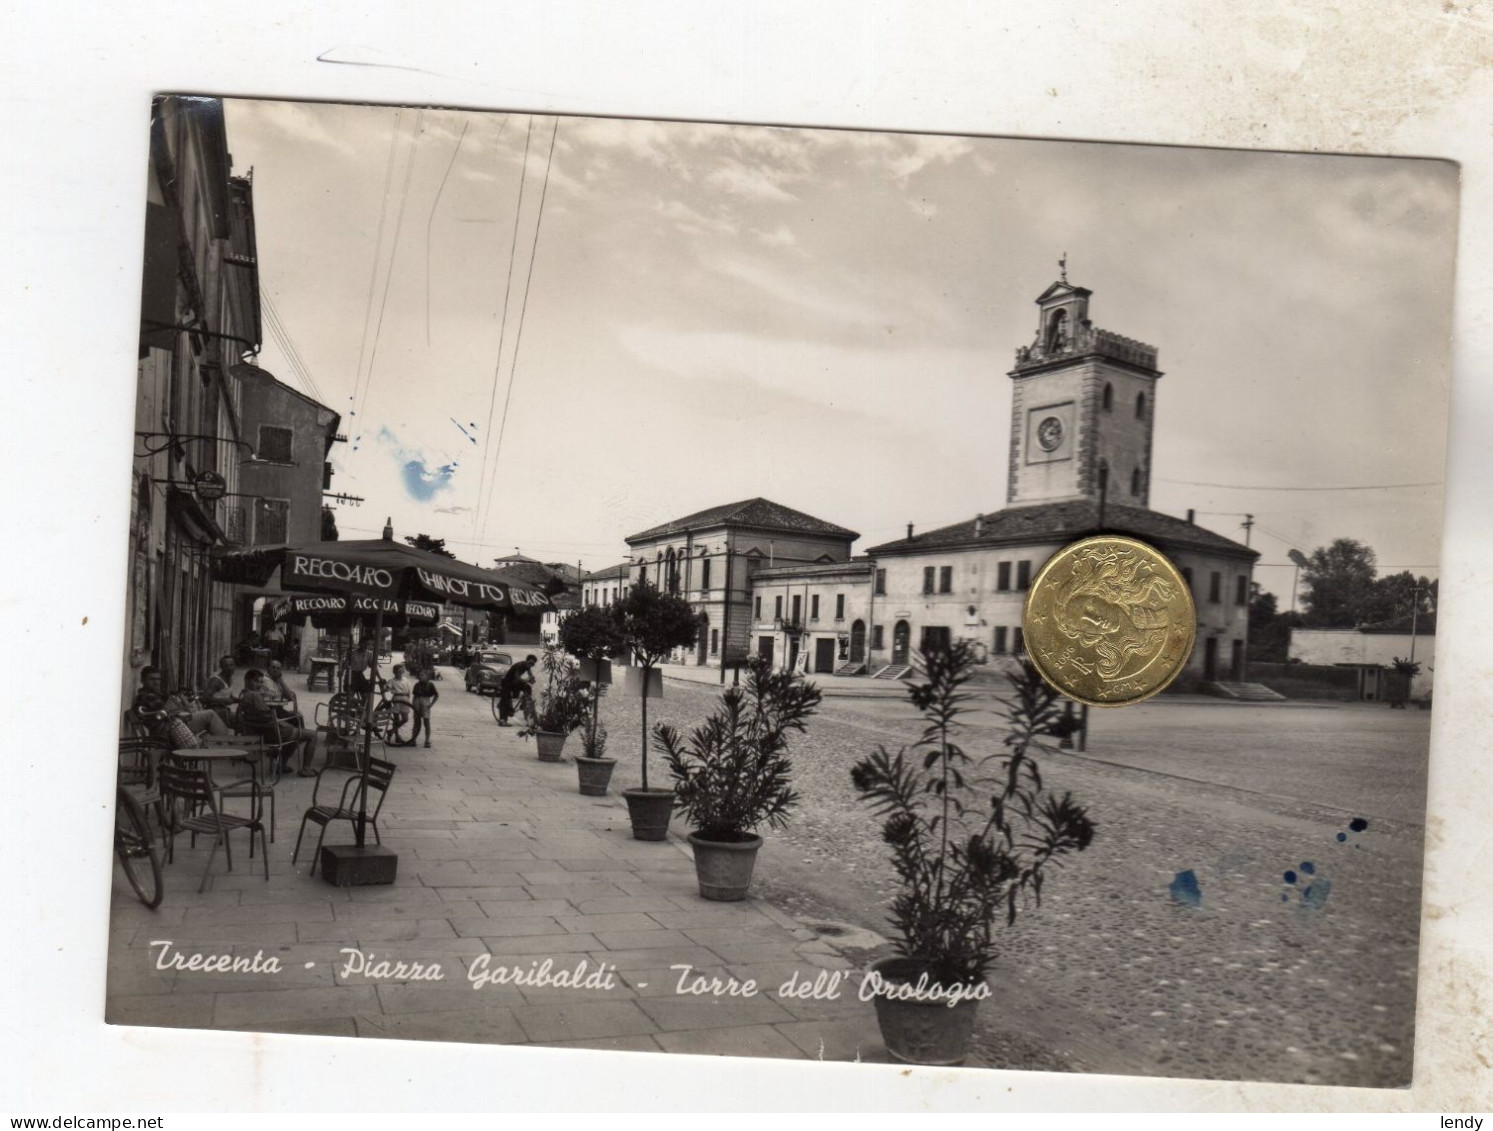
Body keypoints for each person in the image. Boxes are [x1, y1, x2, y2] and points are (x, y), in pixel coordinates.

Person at [239, 668, 319, 776]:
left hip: (260, 732)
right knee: (312, 735)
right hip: (273, 733)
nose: (258, 684)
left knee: (296, 733)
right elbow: (268, 717)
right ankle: (306, 769)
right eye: (255, 681)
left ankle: (281, 765)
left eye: (260, 682)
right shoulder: (255, 696)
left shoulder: (245, 696)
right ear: (247, 681)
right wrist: (284, 721)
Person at [132, 666, 233, 743]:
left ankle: (226, 743)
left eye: (158, 679)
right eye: (152, 679)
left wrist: (180, 703)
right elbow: (167, 712)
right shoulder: (147, 696)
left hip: (173, 725)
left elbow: (170, 708)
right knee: (209, 714)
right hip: (169, 728)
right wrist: (180, 709)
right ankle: (229, 744)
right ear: (142, 681)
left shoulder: (156, 693)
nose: (156, 682)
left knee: (206, 716)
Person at [497, 655, 538, 727]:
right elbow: (517, 678)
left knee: (528, 687)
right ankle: (502, 720)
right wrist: (526, 680)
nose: (531, 665)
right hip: (508, 682)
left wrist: (532, 679)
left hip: (514, 683)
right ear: (526, 661)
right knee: (506, 699)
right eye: (530, 663)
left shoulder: (527, 666)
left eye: (533, 664)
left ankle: (524, 703)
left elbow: (531, 676)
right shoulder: (520, 665)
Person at [264, 660, 304, 728]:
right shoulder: (265, 680)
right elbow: (269, 701)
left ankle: (301, 735)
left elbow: (290, 695)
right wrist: (283, 702)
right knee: (298, 719)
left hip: (277, 710)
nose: (275, 670)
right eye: (273, 667)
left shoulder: (276, 679)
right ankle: (301, 735)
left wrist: (281, 682)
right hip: (271, 712)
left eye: (278, 668)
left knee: (299, 715)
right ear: (268, 668)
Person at [202, 655, 239, 727]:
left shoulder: (229, 679)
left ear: (235, 666)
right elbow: (204, 698)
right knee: (241, 720)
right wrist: (223, 700)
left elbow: (228, 695)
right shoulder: (216, 681)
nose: (230, 668)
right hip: (214, 713)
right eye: (226, 666)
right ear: (222, 667)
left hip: (223, 711)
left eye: (232, 665)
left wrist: (238, 700)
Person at [410, 667, 440, 748]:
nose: (421, 677)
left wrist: (431, 704)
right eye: (419, 675)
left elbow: (436, 695)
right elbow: (414, 695)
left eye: (422, 675)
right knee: (416, 722)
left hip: (426, 702)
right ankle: (413, 739)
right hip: (417, 702)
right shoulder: (417, 685)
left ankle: (427, 740)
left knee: (426, 722)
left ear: (426, 676)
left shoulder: (430, 685)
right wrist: (413, 705)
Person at [387, 663, 415, 746]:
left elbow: (409, 690)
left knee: (405, 718)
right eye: (397, 672)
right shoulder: (392, 681)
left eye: (401, 672)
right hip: (397, 699)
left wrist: (408, 699)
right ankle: (397, 736)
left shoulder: (405, 680)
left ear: (403, 672)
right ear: (394, 672)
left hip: (405, 699)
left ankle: (391, 731)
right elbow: (387, 687)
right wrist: (386, 687)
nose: (399, 674)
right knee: (396, 719)